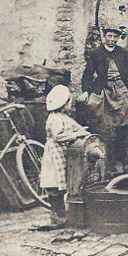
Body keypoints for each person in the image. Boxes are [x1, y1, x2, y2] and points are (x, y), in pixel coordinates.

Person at [80, 24, 128, 173]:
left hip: (122, 90)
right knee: (99, 122)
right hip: (104, 90)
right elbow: (88, 73)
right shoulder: (96, 53)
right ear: (104, 37)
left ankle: (119, 161)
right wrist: (86, 91)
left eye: (115, 36)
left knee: (122, 127)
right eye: (109, 36)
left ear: (118, 38)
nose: (112, 39)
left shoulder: (123, 53)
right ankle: (102, 159)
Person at [40, 85, 93, 227]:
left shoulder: (64, 117)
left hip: (62, 153)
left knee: (63, 183)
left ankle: (64, 215)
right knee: (53, 184)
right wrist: (76, 135)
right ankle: (58, 217)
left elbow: (77, 128)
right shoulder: (54, 119)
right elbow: (59, 136)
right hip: (53, 155)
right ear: (64, 103)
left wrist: (85, 133)